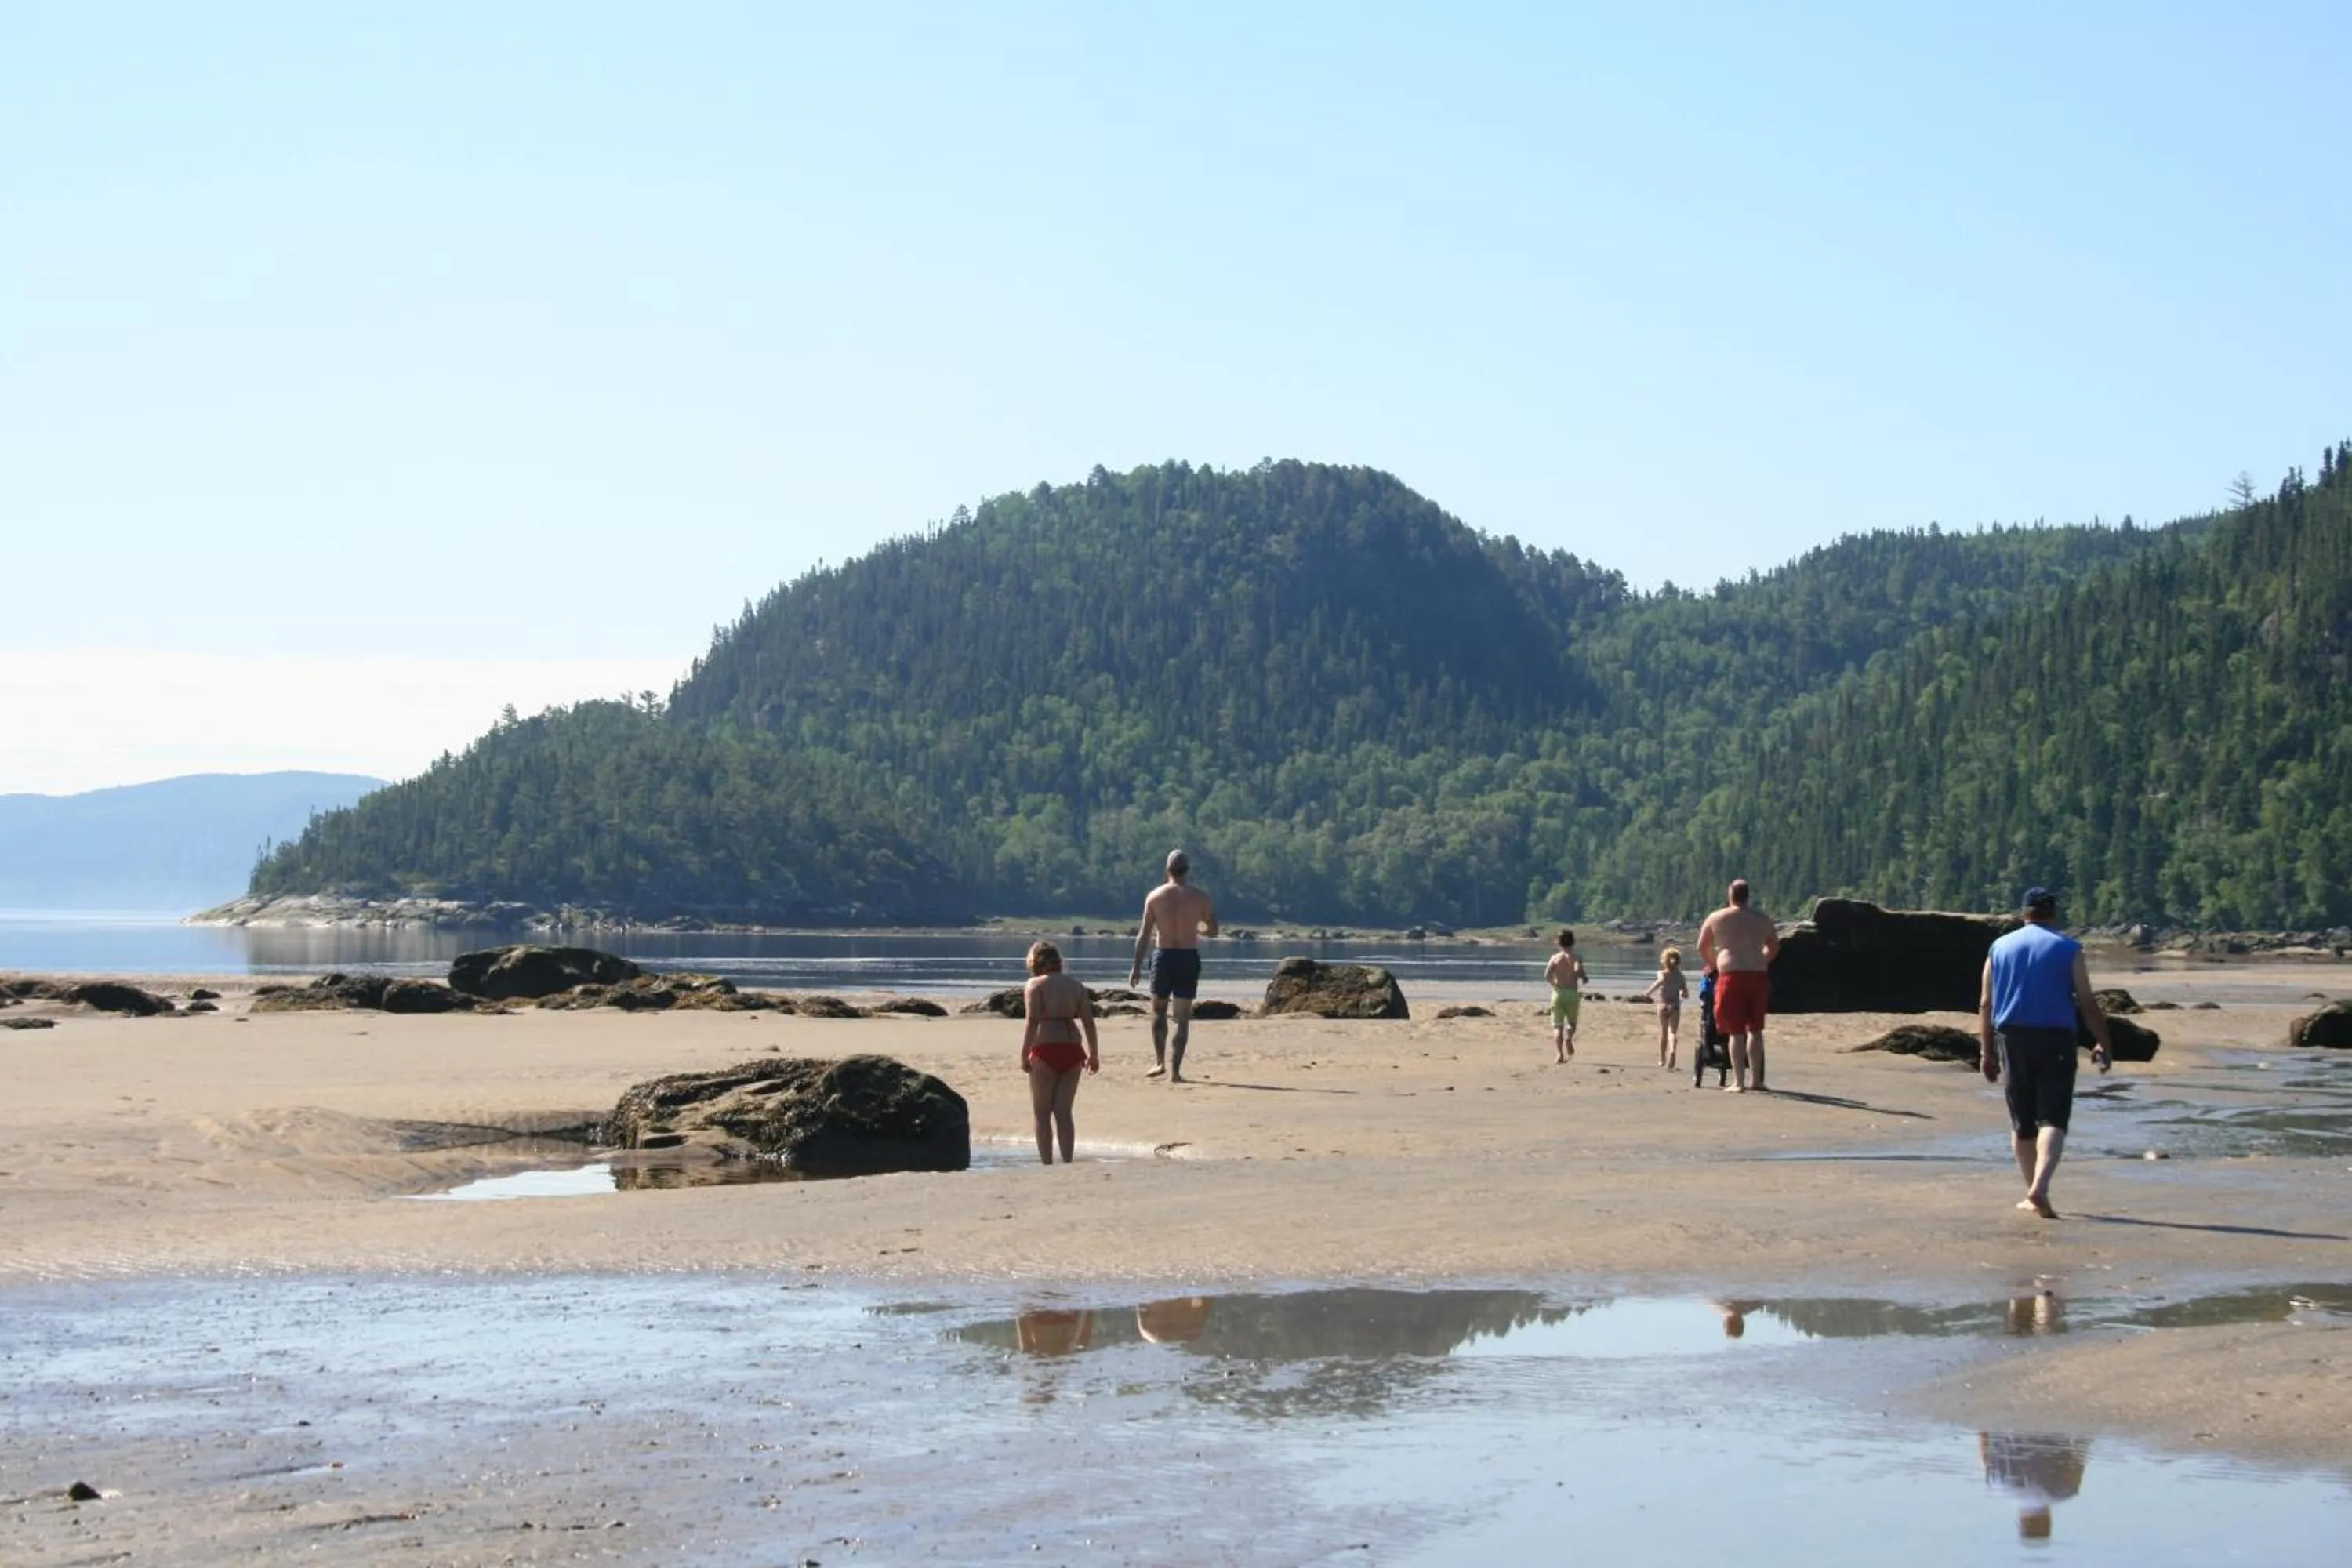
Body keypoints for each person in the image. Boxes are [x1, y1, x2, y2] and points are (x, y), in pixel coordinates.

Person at [1979, 887, 2112, 1218]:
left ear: (2024, 913)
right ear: (2052, 914)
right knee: (2053, 1116)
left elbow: (1985, 1003)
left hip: (2011, 1038)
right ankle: (2040, 1187)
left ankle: (2032, 1193)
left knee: (2022, 1121)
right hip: (2056, 1038)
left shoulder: (1999, 947)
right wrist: (2103, 1043)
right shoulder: (2068, 948)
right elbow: (2086, 1002)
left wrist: (1986, 1052)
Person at [1127, 848, 1217, 1083]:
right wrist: (1199, 929)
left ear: (1167, 870)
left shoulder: (1155, 897)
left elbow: (1144, 934)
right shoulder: (1200, 897)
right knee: (1182, 1017)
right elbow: (1214, 929)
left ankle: (1159, 1062)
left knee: (1158, 1011)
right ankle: (1175, 1071)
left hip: (1164, 956)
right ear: (1187, 871)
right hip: (1187, 956)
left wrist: (1136, 966)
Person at [1697, 878, 1780, 1092]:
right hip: (1757, 974)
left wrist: (1715, 964)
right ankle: (1757, 1081)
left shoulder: (1718, 917)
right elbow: (1774, 947)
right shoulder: (1762, 919)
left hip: (1731, 975)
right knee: (1756, 1029)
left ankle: (1739, 1082)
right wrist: (1761, 960)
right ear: (1748, 895)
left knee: (1736, 1031)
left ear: (1730, 895)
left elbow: (1702, 946)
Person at [1020, 940, 1098, 1164]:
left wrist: (1024, 1053)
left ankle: (1047, 1163)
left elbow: (1032, 1021)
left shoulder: (1034, 985)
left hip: (1045, 1048)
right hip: (1073, 1048)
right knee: (1064, 1113)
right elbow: (1089, 1023)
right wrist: (1093, 1054)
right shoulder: (1076, 986)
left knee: (1042, 1112)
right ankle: (1067, 1161)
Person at [1642, 946, 1689, 1069]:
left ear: (1665, 960)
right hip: (1675, 1006)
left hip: (1663, 1005)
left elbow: (1660, 982)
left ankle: (1662, 1059)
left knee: (1663, 1032)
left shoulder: (1662, 973)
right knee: (1672, 1032)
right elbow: (1686, 994)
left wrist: (1648, 992)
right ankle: (1672, 1051)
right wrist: (1680, 992)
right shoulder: (1681, 976)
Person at [1544, 929, 1586, 1062]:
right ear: (1573, 942)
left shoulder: (1555, 958)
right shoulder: (1576, 957)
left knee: (1557, 1026)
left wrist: (1554, 983)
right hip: (1572, 993)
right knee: (1572, 1023)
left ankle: (1559, 1054)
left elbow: (1547, 975)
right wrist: (1583, 977)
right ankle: (1568, 1038)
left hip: (1558, 993)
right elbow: (1578, 969)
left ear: (1558, 943)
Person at [1693, 956, 1730, 1088]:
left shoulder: (1708, 982)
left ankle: (1711, 1055)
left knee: (1708, 1031)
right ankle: (1718, 1055)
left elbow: (1703, 996)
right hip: (1722, 1019)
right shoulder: (1723, 981)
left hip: (1713, 1018)